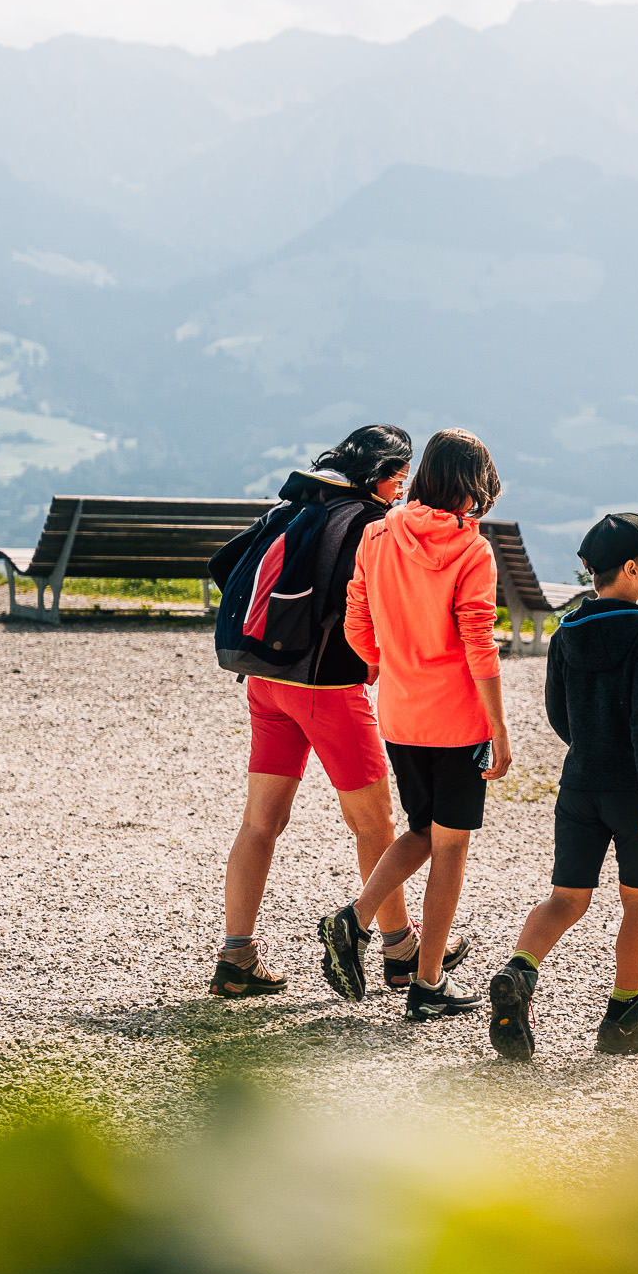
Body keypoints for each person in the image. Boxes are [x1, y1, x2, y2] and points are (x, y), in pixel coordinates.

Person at [208, 426, 464, 997]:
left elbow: (226, 566)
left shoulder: (299, 504)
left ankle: (236, 957)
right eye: (401, 477)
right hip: (326, 687)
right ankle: (400, 950)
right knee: (376, 825)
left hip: (266, 683)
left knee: (260, 823)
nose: (403, 489)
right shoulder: (366, 524)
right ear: (383, 475)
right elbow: (375, 606)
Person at [317, 428, 512, 1021]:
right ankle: (428, 985)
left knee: (423, 831)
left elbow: (356, 618)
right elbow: (479, 643)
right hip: (456, 721)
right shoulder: (472, 552)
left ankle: (352, 921)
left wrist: (382, 662)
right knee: (450, 848)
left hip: (399, 716)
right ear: (474, 485)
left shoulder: (379, 534)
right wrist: (499, 729)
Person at [488, 512, 638, 1060]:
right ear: (630, 568)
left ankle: (519, 973)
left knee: (566, 898)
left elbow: (558, 712)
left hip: (579, 785)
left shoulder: (568, 630)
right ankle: (624, 1017)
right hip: (632, 794)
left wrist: (590, 746)